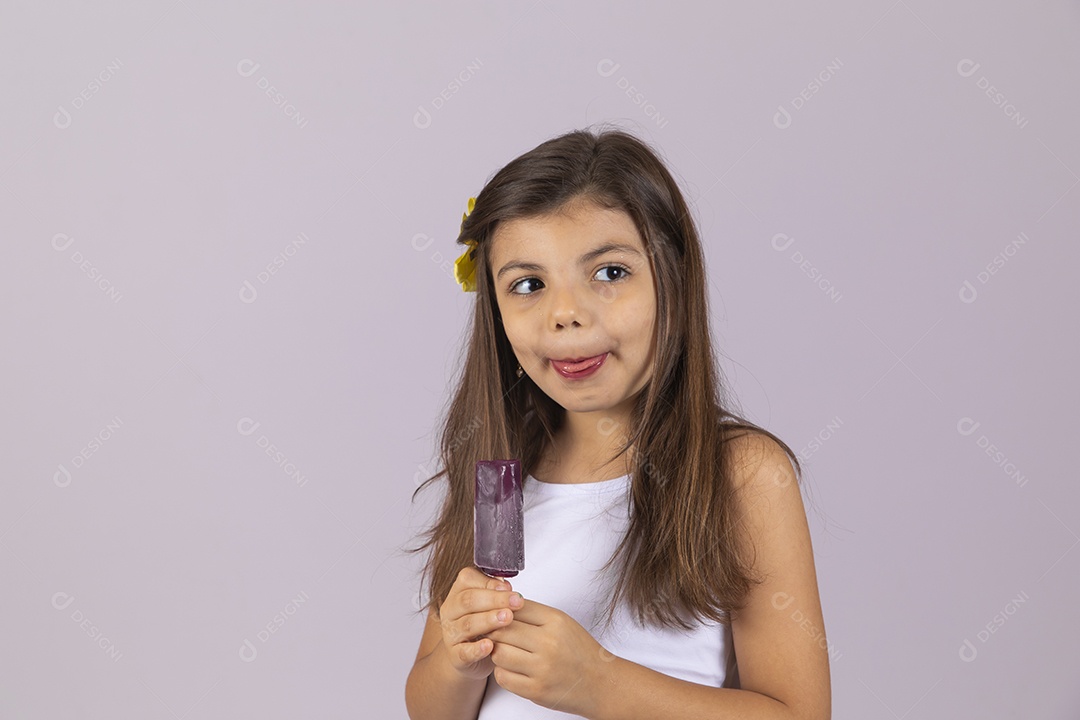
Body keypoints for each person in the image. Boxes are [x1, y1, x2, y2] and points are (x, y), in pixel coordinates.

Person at [404, 126, 831, 720]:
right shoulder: (501, 479)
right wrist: (458, 660)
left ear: (673, 280)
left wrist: (600, 683)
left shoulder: (741, 474)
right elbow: (431, 710)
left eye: (609, 273)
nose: (565, 315)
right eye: (528, 284)